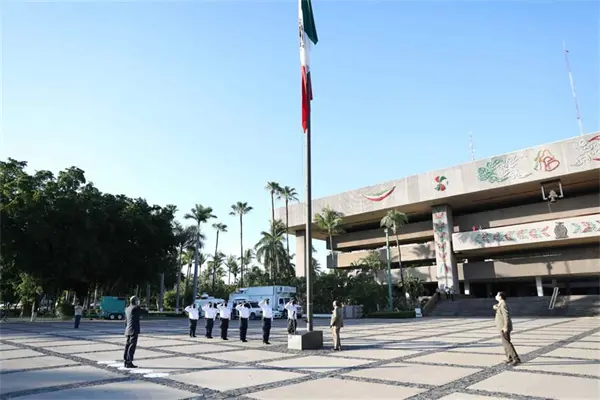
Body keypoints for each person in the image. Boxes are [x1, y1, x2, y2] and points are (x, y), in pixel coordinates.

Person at [494, 291, 521, 366]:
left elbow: (506, 316)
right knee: (505, 343)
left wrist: (505, 326)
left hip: (504, 327)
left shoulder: (503, 304)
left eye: (497, 295)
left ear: (500, 297)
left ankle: (516, 358)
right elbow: (496, 306)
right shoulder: (500, 304)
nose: (496, 296)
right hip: (501, 327)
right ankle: (509, 357)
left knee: (507, 343)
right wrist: (495, 306)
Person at [123, 296, 141, 368]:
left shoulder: (127, 308)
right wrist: (138, 305)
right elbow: (145, 312)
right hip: (134, 329)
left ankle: (126, 361)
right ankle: (129, 362)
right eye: (137, 301)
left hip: (128, 329)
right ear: (135, 301)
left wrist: (126, 328)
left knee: (127, 345)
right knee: (132, 346)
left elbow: (126, 320)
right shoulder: (135, 308)